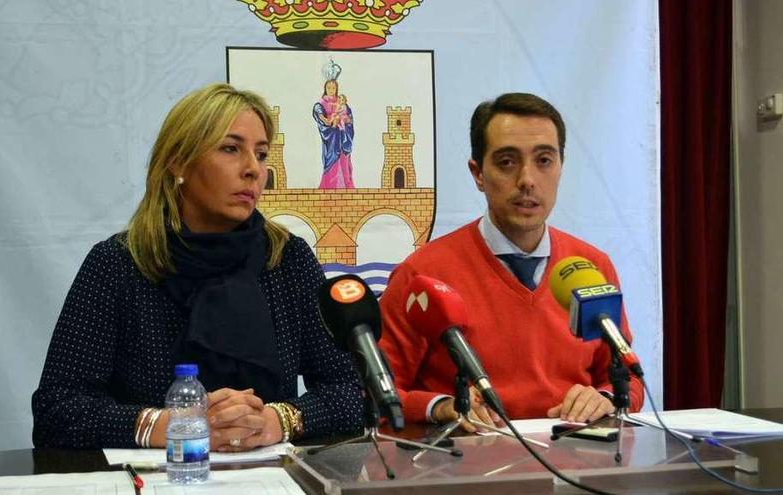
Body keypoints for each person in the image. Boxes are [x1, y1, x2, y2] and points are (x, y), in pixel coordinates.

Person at [32, 83, 363, 451]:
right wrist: (171, 425)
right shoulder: (118, 264)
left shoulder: (286, 259)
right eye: (230, 149)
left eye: (262, 153)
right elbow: (58, 411)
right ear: (178, 161)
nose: (254, 170)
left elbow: (353, 392)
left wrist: (275, 421)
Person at [378, 93, 644, 430]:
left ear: (561, 167)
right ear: (477, 173)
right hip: (467, 469)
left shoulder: (591, 267)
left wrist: (604, 398)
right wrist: (443, 407)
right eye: (507, 162)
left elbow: (629, 380)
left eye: (544, 160)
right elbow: (377, 393)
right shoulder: (423, 274)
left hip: (575, 463)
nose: (528, 180)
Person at [314, 78, 355, 189]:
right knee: (331, 160)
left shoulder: (341, 101)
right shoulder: (322, 103)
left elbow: (349, 117)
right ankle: (330, 186)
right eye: (329, 88)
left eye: (333, 88)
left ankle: (345, 186)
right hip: (331, 139)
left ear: (336, 89)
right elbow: (318, 113)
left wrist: (346, 121)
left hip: (342, 138)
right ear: (325, 89)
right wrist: (329, 122)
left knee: (344, 161)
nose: (331, 90)